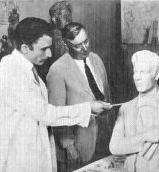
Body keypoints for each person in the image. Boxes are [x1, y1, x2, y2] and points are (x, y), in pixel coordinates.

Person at [0, 17, 112, 172]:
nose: (49, 54)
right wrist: (88, 107)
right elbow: (46, 113)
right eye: (44, 49)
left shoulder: (26, 67)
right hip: (17, 157)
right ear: (25, 48)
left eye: (50, 48)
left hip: (33, 151)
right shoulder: (12, 71)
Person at [46, 22, 114, 171]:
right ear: (66, 44)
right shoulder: (57, 70)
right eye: (77, 45)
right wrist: (69, 147)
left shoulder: (96, 59)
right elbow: (56, 114)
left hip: (104, 137)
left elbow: (106, 94)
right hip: (79, 144)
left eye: (86, 41)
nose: (85, 48)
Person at [109, 50, 159, 172]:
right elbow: (114, 147)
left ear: (157, 74)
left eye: (143, 72)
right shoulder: (125, 108)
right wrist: (145, 136)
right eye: (135, 71)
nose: (137, 77)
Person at [37, 1, 72, 82]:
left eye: (68, 16)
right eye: (64, 16)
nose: (68, 20)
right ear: (53, 18)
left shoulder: (72, 32)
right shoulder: (49, 35)